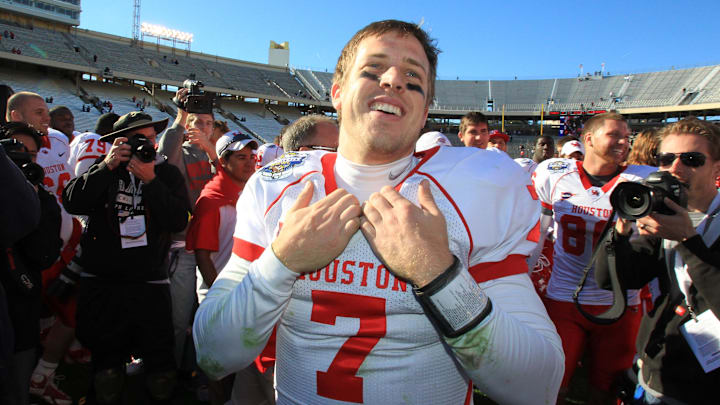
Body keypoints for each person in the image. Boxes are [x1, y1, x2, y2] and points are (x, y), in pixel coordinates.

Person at [194, 19, 563, 405]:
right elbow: (213, 354)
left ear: (424, 114)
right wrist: (282, 262)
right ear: (337, 93)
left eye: (412, 76)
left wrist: (438, 275)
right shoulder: (279, 186)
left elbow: (538, 388)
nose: (393, 80)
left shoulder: (475, 189)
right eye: (373, 70)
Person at [62, 111, 191, 404]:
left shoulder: (166, 173)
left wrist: (151, 182)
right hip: (104, 281)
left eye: (151, 138)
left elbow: (178, 221)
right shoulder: (104, 168)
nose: (148, 145)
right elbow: (72, 201)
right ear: (120, 141)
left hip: (150, 281)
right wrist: (107, 166)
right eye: (139, 139)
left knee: (160, 369)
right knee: (106, 370)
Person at [595, 118, 720, 404]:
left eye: (691, 159)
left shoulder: (681, 226)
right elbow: (612, 279)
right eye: (665, 159)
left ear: (717, 167)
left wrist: (689, 241)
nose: (675, 169)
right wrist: (620, 230)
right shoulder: (663, 217)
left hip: (705, 387)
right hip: (654, 372)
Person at [533, 112, 655, 405]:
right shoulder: (555, 172)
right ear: (588, 139)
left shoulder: (642, 179)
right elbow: (539, 231)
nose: (624, 142)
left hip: (620, 302)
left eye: (627, 136)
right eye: (615, 135)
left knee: (608, 389)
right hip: (564, 296)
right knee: (552, 385)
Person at [185, 132, 264, 405]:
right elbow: (203, 257)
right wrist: (223, 297)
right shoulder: (211, 201)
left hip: (245, 291)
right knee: (220, 366)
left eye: (252, 157)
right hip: (220, 293)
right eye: (241, 157)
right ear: (223, 161)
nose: (250, 163)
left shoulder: (251, 193)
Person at [0, 122, 62, 405]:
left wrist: (30, 200)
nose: (25, 161)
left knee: (17, 392)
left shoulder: (43, 201)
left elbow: (44, 255)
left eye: (31, 155)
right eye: (15, 154)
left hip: (22, 314)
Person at [157, 89, 219, 372]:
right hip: (184, 248)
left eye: (208, 123)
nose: (204, 128)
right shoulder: (178, 151)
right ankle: (168, 370)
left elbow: (236, 180)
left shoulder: (221, 154)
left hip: (216, 248)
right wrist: (181, 116)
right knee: (177, 317)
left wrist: (210, 150)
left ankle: (201, 372)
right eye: (197, 122)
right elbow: (165, 160)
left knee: (210, 316)